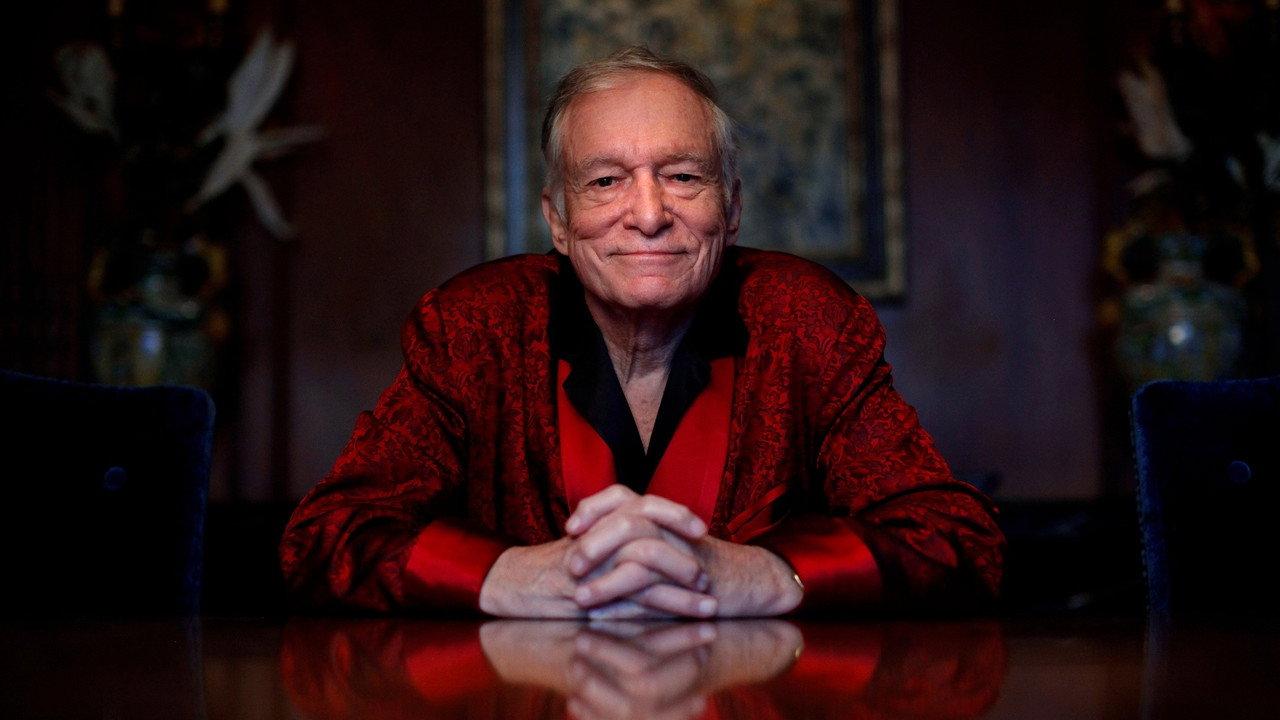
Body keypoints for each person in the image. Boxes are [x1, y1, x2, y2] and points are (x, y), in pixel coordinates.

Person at [280, 46, 1003, 618]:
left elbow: (957, 539)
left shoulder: (808, 321)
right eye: (605, 182)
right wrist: (506, 576)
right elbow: (327, 536)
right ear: (558, 220)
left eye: (683, 176)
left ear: (732, 208)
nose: (650, 215)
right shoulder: (473, 329)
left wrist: (771, 574)